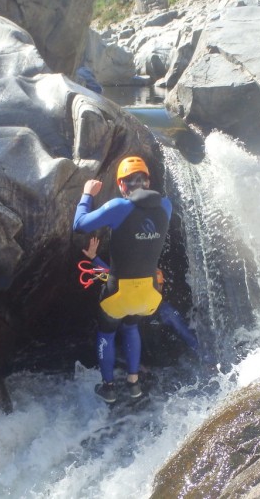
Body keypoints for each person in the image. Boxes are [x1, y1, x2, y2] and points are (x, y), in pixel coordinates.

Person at [73, 156, 172, 403]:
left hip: (118, 295)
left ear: (121, 185)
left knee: (107, 333)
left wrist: (87, 194)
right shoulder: (166, 206)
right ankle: (133, 383)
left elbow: (79, 225)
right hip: (150, 294)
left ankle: (108, 388)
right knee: (131, 327)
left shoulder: (118, 207)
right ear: (147, 182)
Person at [82, 237, 199, 353]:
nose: (156, 287)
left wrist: (205, 357)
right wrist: (94, 258)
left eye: (158, 285)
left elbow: (186, 335)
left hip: (158, 355)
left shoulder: (165, 311)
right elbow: (112, 276)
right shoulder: (132, 296)